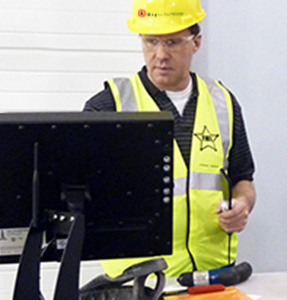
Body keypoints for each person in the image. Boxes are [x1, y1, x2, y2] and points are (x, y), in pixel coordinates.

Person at [83, 0, 256, 278]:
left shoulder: (223, 102)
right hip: (138, 279)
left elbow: (243, 178)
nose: (160, 54)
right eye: (151, 41)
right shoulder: (108, 107)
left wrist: (242, 205)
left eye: (173, 42)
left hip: (212, 274)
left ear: (196, 42)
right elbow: (83, 194)